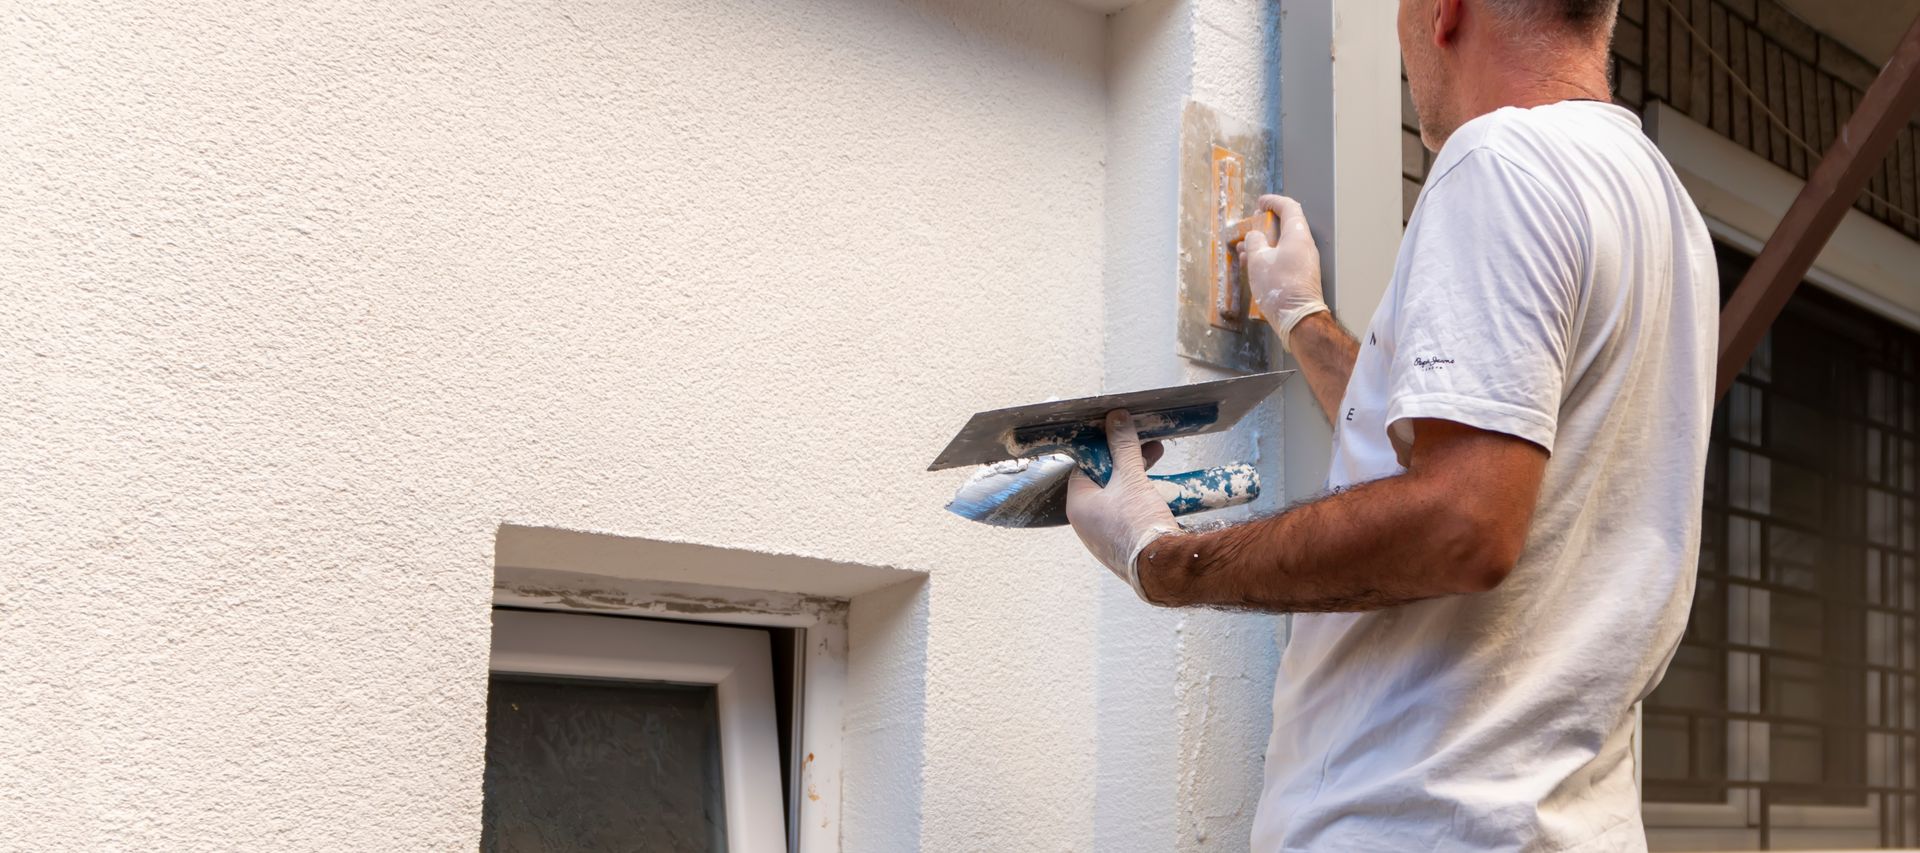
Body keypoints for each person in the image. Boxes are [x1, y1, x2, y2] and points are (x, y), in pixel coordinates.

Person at [1063, 0, 1718, 849]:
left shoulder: (1500, 161)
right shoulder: (1668, 212)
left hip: (1416, 821)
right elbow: (1460, 442)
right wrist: (1301, 317)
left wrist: (1162, 560)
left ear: (1445, 11)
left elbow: (1462, 521)